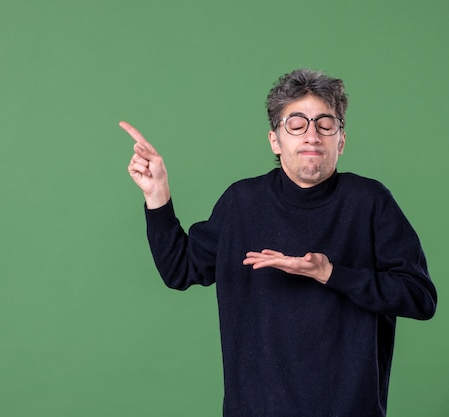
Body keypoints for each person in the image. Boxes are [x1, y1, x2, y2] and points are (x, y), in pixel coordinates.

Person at [119, 68, 437, 417]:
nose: (312, 135)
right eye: (296, 124)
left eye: (325, 124)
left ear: (341, 140)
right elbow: (179, 270)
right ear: (275, 140)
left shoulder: (370, 202)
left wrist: (331, 273)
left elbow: (420, 298)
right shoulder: (242, 203)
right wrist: (157, 194)